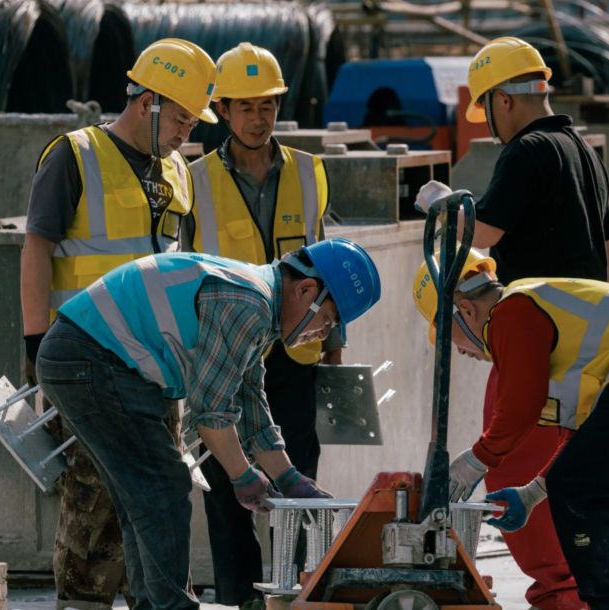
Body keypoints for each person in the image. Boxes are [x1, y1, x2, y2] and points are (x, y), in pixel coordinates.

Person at [36, 238, 381, 610]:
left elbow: (249, 402)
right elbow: (211, 413)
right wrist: (243, 476)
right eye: (327, 320)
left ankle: (156, 604)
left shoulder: (259, 304)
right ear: (306, 289)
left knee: (144, 496)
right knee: (162, 488)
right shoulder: (248, 304)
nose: (322, 333)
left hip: (92, 357)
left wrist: (288, 477)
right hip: (90, 356)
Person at [414, 36, 609, 610]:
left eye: (490, 109)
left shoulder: (528, 152)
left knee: (522, 494)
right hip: (587, 349)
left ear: (504, 101)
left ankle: (561, 599)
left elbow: (479, 237)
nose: (493, 124)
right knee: (573, 493)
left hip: (539, 345)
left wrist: (443, 208)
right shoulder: (583, 151)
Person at [21, 38, 217, 610]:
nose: (185, 131)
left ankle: (152, 600)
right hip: (88, 362)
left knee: (153, 497)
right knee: (93, 497)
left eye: (190, 120)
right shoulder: (74, 155)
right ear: (147, 101)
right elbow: (36, 248)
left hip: (157, 367)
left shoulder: (177, 170)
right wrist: (35, 348)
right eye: (179, 117)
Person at [412, 250, 609, 610]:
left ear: (466, 311)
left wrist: (477, 461)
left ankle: (605, 603)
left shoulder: (512, 313)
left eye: (449, 339)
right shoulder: (541, 316)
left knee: (580, 493)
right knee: (608, 489)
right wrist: (533, 493)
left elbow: (520, 408)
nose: (459, 352)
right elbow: (580, 437)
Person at [186, 42, 336, 610]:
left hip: (293, 352)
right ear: (222, 110)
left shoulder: (308, 171)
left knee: (295, 476)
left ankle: (293, 592)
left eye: (267, 106)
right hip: (224, 347)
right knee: (227, 484)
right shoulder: (194, 178)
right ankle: (237, 597)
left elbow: (322, 261)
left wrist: (334, 346)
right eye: (245, 107)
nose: (257, 119)